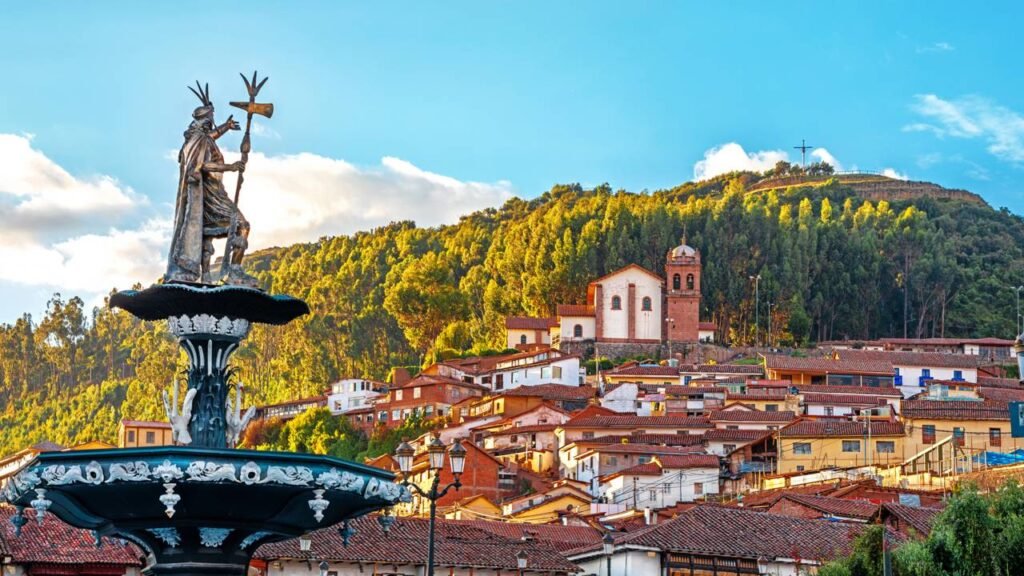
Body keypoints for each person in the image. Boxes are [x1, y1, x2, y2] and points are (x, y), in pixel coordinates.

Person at [165, 81, 256, 286]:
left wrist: (226, 126)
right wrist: (231, 167)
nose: (212, 123)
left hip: (204, 196)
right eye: (211, 119)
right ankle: (235, 271)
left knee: (206, 233)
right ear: (205, 120)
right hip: (212, 196)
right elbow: (203, 165)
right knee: (241, 225)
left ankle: (206, 276)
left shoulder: (196, 139)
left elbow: (211, 138)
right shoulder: (199, 140)